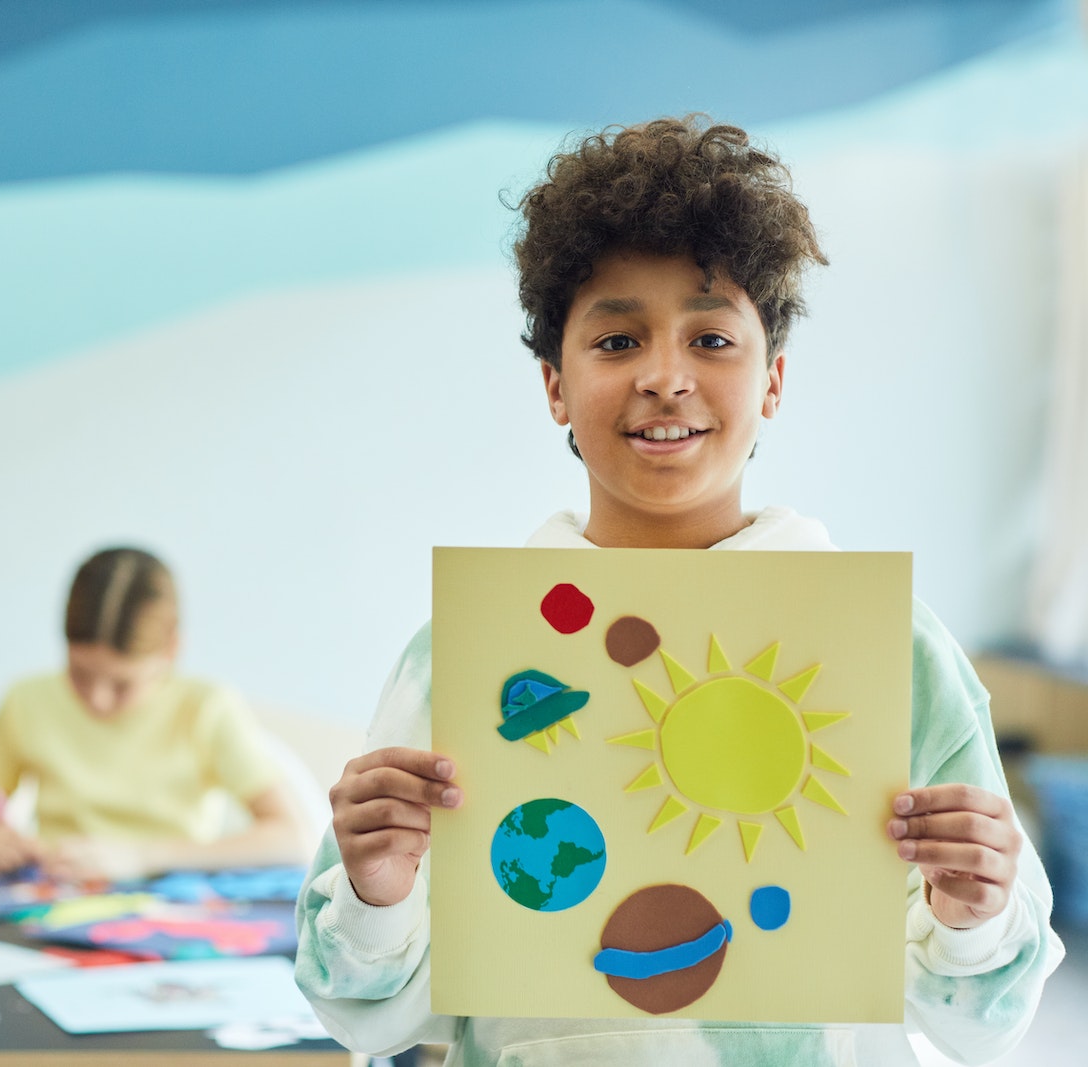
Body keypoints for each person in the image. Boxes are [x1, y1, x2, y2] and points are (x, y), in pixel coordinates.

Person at [294, 116, 1064, 1065]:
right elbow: (362, 1013)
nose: (664, 377)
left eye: (710, 338)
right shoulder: (462, 652)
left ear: (773, 380)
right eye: (617, 340)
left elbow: (980, 1018)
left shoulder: (889, 646)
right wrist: (375, 891)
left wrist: (975, 910)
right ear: (554, 386)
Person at [0, 546, 303, 881]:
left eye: (122, 685)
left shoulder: (206, 707)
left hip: (168, 912)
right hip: (49, 903)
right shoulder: (24, 701)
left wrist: (144, 856)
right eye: (79, 674)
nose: (98, 699)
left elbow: (291, 838)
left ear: (171, 649)